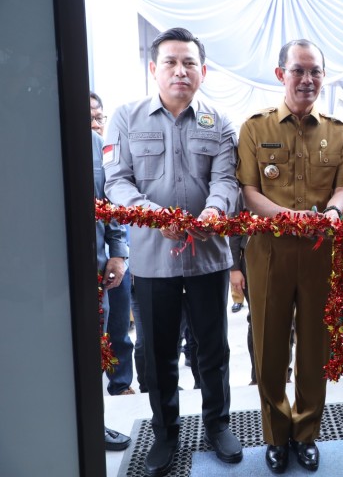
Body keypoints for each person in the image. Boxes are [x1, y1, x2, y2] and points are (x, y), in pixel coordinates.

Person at [104, 27, 242, 477]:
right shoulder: (126, 117)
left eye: (189, 63)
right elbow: (117, 180)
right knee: (156, 350)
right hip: (151, 259)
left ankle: (218, 425)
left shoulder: (219, 122)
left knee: (212, 348)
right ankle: (165, 433)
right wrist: (152, 215)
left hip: (206, 256)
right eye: (171, 62)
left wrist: (214, 211)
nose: (181, 71)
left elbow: (226, 180)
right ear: (153, 68)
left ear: (203, 70)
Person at [237, 39, 343, 473]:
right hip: (269, 252)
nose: (307, 80)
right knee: (268, 346)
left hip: (319, 253)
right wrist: (288, 217)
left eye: (315, 72)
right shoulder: (255, 128)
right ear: (280, 74)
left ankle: (306, 433)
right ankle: (275, 434)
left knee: (314, 346)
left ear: (323, 77)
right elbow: (250, 192)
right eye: (298, 71)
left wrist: (332, 212)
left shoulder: (339, 132)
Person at [91, 91, 136, 396]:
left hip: (107, 259)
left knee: (118, 328)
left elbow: (112, 206)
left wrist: (118, 254)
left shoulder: (101, 150)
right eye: (88, 116)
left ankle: (120, 385)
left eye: (97, 116)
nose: (94, 123)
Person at [91, 128, 132, 451]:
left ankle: (92, 424)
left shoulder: (91, 142)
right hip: (28, 273)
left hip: (93, 268)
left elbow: (108, 202)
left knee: (93, 348)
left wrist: (117, 252)